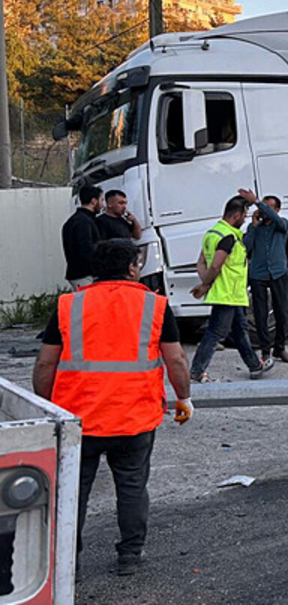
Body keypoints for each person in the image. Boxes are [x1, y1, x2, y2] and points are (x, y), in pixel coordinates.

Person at [31, 239, 193, 577]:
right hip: (134, 418)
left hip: (79, 420)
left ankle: (67, 561)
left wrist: (47, 408)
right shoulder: (155, 306)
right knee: (132, 488)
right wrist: (183, 397)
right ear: (132, 268)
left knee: (73, 492)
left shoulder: (68, 306)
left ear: (96, 269)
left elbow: (45, 365)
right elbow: (176, 358)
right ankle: (130, 555)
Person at [189, 196, 275, 383]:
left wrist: (205, 282)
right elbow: (215, 266)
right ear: (236, 215)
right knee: (215, 333)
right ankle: (196, 370)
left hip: (231, 294)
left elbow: (201, 262)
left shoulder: (212, 233)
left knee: (240, 330)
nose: (245, 219)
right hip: (227, 293)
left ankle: (254, 366)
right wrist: (205, 284)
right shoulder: (228, 237)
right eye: (244, 215)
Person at [242, 190, 288, 364]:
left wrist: (257, 202)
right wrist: (254, 226)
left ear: (277, 210)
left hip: (278, 272)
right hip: (258, 274)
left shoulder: (282, 224)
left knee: (282, 311)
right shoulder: (254, 227)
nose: (265, 211)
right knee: (260, 313)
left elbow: (278, 221)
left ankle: (280, 348)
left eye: (269, 208)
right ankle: (265, 350)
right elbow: (246, 247)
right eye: (264, 207)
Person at [62, 184, 103, 290]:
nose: (103, 205)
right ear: (94, 201)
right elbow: (87, 250)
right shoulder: (84, 222)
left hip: (79, 274)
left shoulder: (73, 221)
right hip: (84, 276)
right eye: (101, 200)